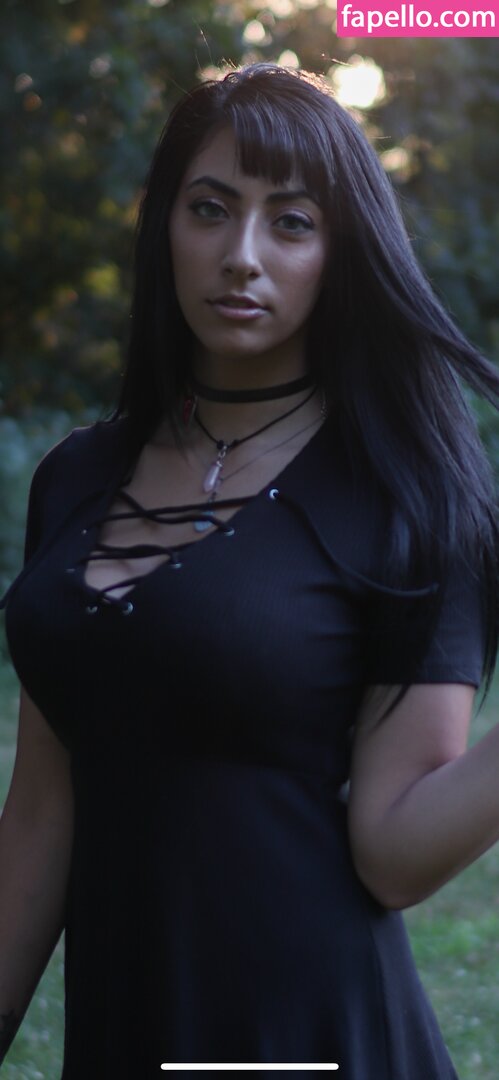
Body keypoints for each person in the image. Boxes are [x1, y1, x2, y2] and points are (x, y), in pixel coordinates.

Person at [1, 61, 498, 1080]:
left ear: (341, 252)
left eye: (292, 223)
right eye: (210, 209)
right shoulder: (76, 477)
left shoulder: (404, 498)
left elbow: (393, 854)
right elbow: (43, 813)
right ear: (164, 226)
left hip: (308, 1044)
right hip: (124, 1039)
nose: (241, 256)